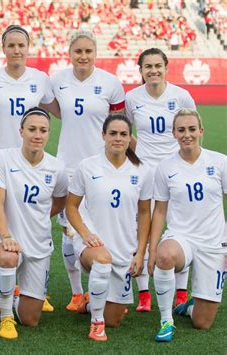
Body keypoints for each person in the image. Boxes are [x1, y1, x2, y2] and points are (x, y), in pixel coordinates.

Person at [0, 24, 57, 314]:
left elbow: (58, 109)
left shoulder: (40, 79)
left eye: (22, 45)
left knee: (29, 218)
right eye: (11, 45)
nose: (17, 50)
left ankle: (33, 289)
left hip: (30, 162)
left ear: (28, 48)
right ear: (3, 48)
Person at [50, 30, 125, 312]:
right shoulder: (57, 80)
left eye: (88, 51)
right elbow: (54, 109)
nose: (83, 56)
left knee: (103, 226)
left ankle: (111, 287)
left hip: (103, 166)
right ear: (70, 53)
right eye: (78, 51)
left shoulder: (110, 83)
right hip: (68, 166)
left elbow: (120, 121)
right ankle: (77, 292)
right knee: (69, 230)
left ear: (95, 53)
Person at [66, 114, 152, 341]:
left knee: (115, 319)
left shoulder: (142, 170)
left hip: (123, 249)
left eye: (123, 134)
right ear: (103, 135)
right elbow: (71, 207)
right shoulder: (87, 166)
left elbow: (144, 213)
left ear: (129, 138)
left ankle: (89, 302)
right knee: (102, 260)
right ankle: (96, 323)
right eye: (112, 133)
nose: (118, 138)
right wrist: (85, 234)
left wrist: (140, 252)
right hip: (92, 244)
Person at [126, 48, 196, 312]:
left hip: (176, 172)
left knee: (180, 228)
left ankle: (180, 291)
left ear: (166, 67)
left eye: (158, 65)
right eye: (147, 67)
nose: (153, 70)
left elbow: (190, 129)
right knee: (141, 229)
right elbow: (127, 132)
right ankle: (144, 293)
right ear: (141, 70)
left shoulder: (181, 96)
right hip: (145, 173)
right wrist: (141, 157)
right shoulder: (132, 98)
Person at [148, 109, 226, 342]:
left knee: (202, 323)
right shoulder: (165, 167)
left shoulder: (220, 162)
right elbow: (160, 209)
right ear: (174, 133)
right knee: (165, 255)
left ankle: (188, 307)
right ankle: (166, 321)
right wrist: (152, 250)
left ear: (201, 131)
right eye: (181, 130)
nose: (187, 134)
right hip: (181, 237)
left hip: (213, 242)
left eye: (192, 129)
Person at [0, 107, 68, 339]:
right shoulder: (4, 158)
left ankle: (12, 298)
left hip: (38, 243)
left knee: (31, 319)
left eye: (43, 130)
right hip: (7, 237)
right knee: (7, 257)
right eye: (32, 129)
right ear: (21, 131)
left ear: (48, 134)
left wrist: (40, 216)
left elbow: (61, 201)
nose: (37, 135)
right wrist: (5, 235)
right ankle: (5, 316)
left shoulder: (57, 167)